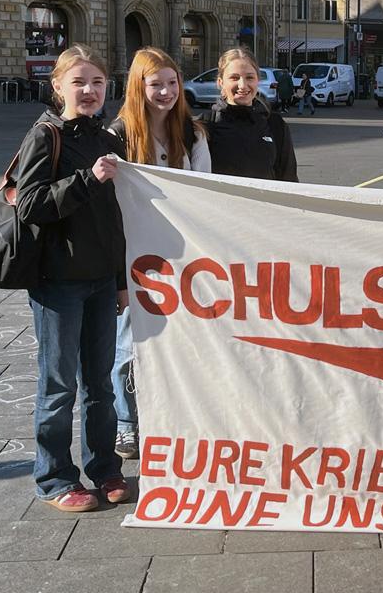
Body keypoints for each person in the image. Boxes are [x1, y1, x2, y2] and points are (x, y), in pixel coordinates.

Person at [13, 45, 129, 512]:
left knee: (99, 383)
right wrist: (87, 179)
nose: (89, 90)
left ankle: (105, 468)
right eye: (79, 82)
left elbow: (117, 219)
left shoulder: (108, 139)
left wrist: (121, 280)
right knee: (59, 385)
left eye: (97, 83)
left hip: (102, 280)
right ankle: (56, 478)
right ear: (57, 85)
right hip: (58, 281)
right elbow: (30, 204)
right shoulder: (45, 136)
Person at [107, 47, 209, 461]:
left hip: (182, 253)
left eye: (172, 83)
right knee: (130, 340)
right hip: (133, 253)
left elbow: (206, 193)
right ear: (139, 87)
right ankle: (127, 425)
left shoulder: (193, 133)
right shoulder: (118, 135)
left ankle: (174, 415)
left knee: (184, 338)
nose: (165, 92)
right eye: (156, 85)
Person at [202, 48, 298, 181]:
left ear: (257, 81)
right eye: (234, 78)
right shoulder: (205, 125)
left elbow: (289, 178)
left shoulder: (275, 124)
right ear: (221, 82)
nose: (242, 85)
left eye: (249, 77)